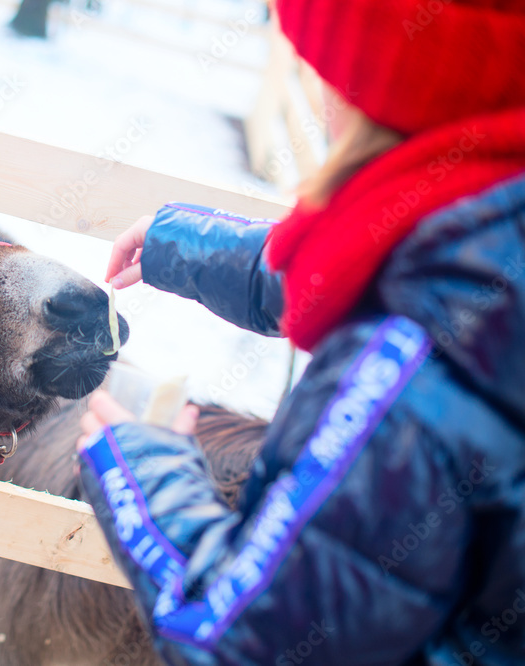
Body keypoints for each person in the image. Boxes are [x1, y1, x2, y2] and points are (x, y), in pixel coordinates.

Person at [76, 1, 525, 663]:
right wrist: (191, 250)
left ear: (374, 91)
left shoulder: (409, 366)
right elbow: (390, 269)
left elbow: (249, 643)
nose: (316, 92)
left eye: (322, 67)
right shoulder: (489, 236)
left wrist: (141, 480)